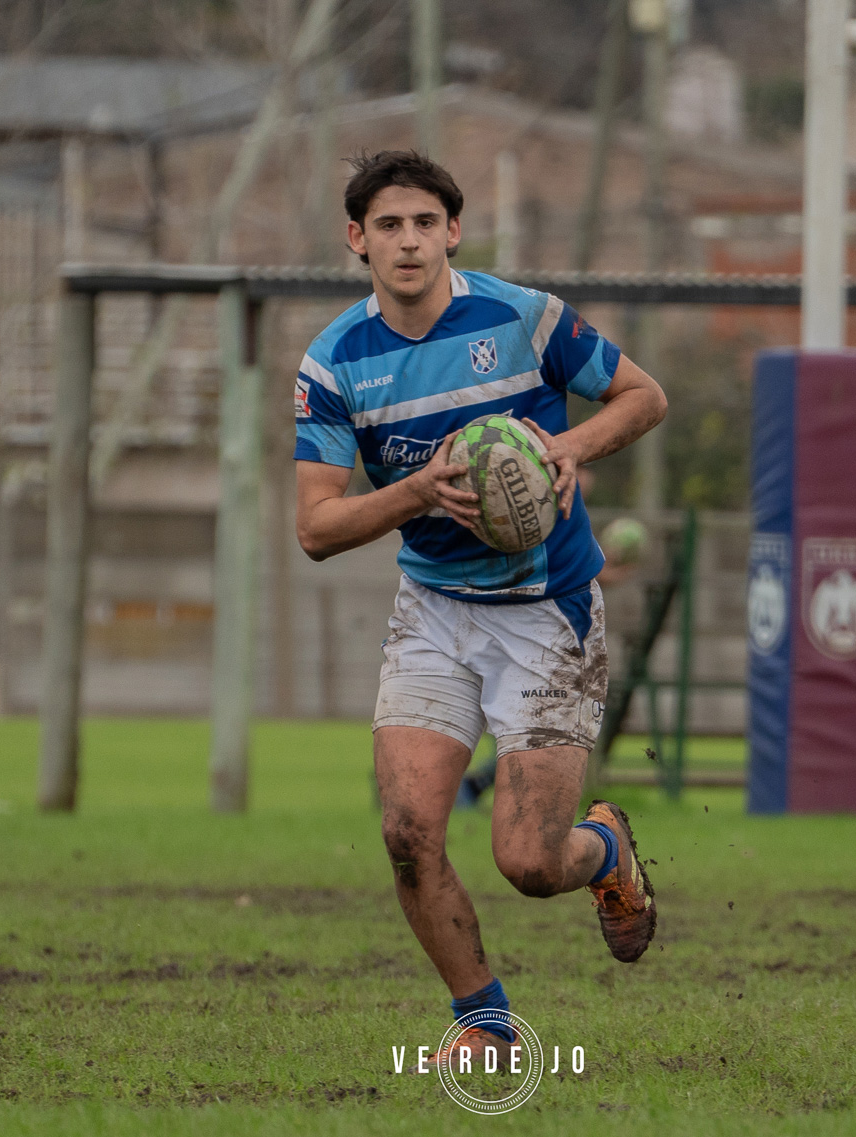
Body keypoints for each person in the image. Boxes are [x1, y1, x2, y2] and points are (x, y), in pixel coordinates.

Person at [293, 151, 668, 1066]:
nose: (409, 240)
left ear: (453, 230)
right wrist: (419, 490)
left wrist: (571, 445)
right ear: (358, 240)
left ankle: (605, 850)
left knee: (531, 863)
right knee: (408, 832)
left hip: (547, 611)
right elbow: (316, 526)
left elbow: (644, 395)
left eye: (425, 222)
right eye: (389, 225)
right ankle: (484, 1022)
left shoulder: (522, 316)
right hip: (434, 609)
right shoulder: (336, 361)